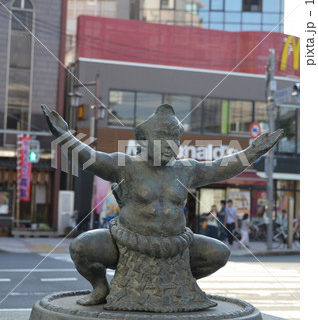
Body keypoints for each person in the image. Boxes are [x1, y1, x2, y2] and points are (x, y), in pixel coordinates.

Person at [41, 103, 283, 308]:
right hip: (126, 243)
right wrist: (65, 137)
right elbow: (89, 157)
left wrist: (253, 152)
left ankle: (180, 283)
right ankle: (100, 287)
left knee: (218, 252)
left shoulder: (186, 169)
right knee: (82, 247)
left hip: (176, 246)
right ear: (144, 140)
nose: (170, 147)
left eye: (174, 142)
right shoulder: (125, 164)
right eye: (162, 141)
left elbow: (222, 166)